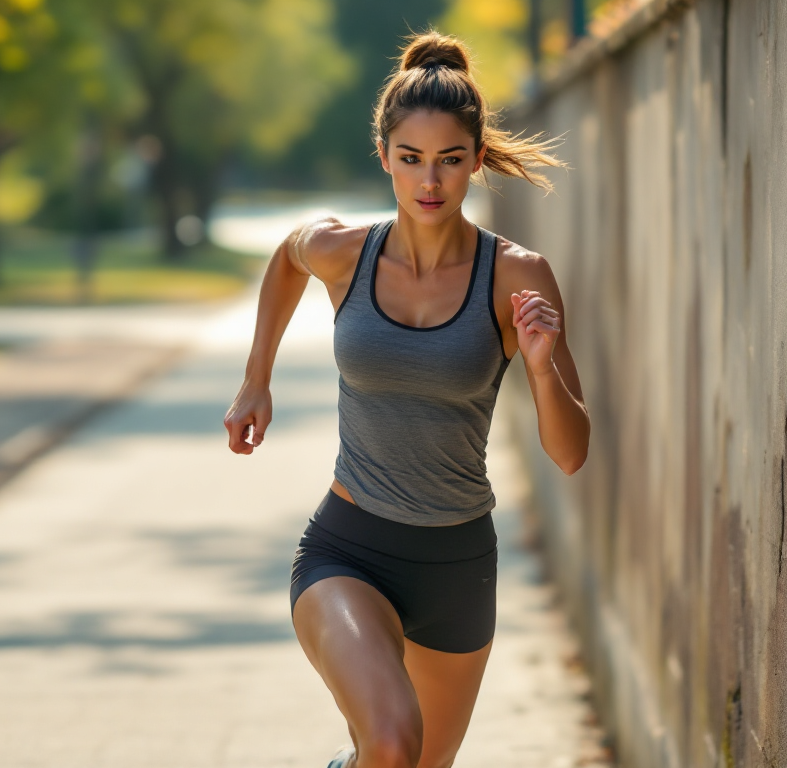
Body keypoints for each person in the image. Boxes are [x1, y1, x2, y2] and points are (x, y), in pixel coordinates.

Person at [223, 30, 590, 768]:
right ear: (385, 155)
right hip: (347, 549)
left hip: (458, 564)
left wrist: (544, 369)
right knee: (391, 742)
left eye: (451, 160)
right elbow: (287, 257)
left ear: (477, 161)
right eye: (412, 159)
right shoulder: (345, 252)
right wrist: (254, 377)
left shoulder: (516, 277)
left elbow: (571, 455)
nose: (430, 181)